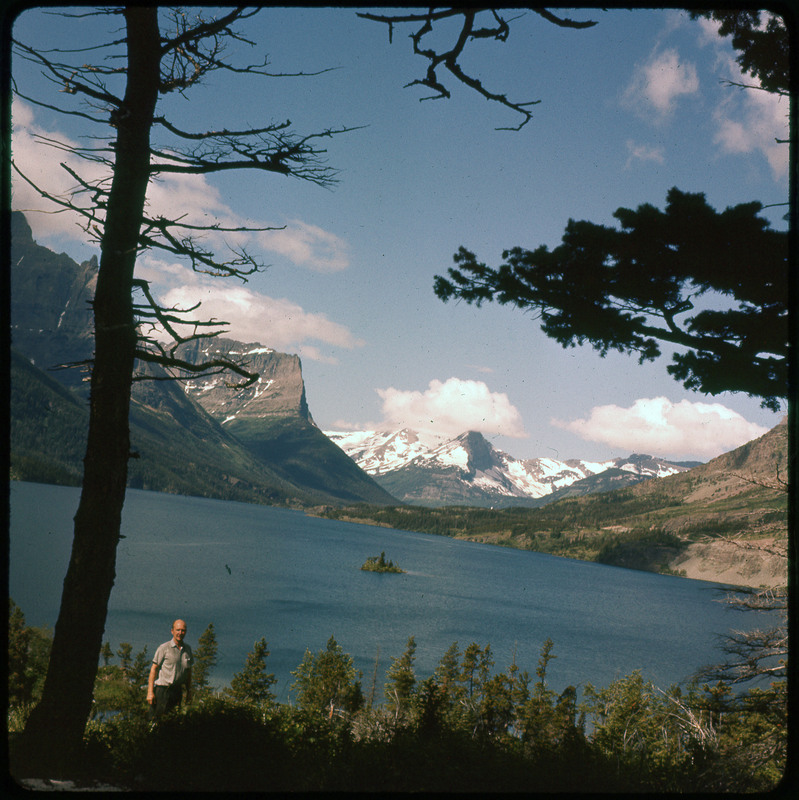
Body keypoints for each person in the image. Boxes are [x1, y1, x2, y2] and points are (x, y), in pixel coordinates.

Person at [147, 619, 193, 722]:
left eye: (183, 630)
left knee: (174, 721)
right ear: (172, 631)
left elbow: (189, 672)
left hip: (177, 691)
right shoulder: (164, 648)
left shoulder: (187, 649)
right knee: (157, 720)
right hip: (163, 691)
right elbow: (154, 669)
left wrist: (189, 691)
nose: (180, 633)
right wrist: (150, 692)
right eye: (178, 630)